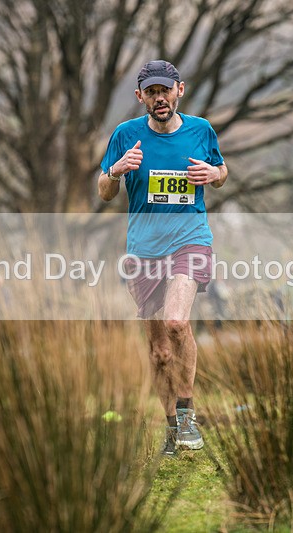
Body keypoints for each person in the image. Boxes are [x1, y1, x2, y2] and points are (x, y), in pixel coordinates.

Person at [98, 60, 228, 456]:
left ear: (179, 91)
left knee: (176, 321)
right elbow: (104, 191)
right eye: (151, 92)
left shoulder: (201, 130)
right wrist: (117, 171)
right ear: (140, 97)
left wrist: (213, 174)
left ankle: (188, 417)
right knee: (159, 350)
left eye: (165, 90)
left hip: (190, 241)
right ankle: (172, 429)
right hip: (143, 253)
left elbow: (222, 170)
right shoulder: (125, 135)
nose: (159, 98)